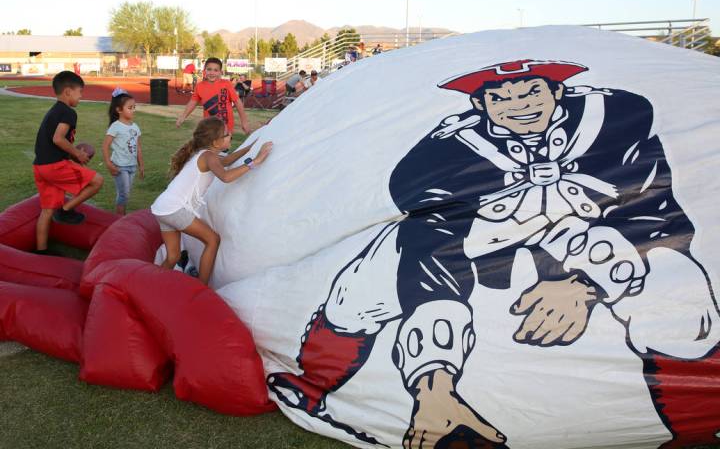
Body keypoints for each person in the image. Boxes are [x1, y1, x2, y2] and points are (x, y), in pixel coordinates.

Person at [267, 60, 720, 446]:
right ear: (479, 106)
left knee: (677, 288)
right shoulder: (448, 153)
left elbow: (654, 217)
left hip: (590, 233)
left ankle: (697, 420)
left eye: (531, 91)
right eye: (501, 98)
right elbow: (432, 246)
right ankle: (318, 385)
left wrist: (582, 286)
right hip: (489, 235)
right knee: (361, 286)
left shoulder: (614, 124)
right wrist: (434, 384)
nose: (519, 104)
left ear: (558, 92)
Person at [151, 116, 273, 286]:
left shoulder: (207, 155)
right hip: (175, 210)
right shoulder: (209, 157)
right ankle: (201, 288)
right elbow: (226, 176)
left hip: (162, 208)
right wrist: (256, 161)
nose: (230, 135)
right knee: (212, 240)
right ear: (216, 142)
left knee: (173, 256)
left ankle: (152, 285)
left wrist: (254, 142)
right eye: (226, 134)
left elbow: (227, 160)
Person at [32, 71, 104, 253]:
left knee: (47, 210)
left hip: (40, 166)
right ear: (68, 92)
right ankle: (65, 210)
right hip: (54, 166)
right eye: (80, 92)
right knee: (97, 181)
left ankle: (41, 250)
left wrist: (71, 154)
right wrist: (77, 155)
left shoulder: (54, 111)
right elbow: (58, 138)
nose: (81, 96)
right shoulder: (68, 112)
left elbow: (50, 140)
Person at [176, 58, 250, 135]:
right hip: (208, 128)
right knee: (207, 146)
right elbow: (192, 102)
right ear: (204, 71)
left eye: (215, 70)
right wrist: (183, 116)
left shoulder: (227, 84)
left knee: (222, 147)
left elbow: (237, 102)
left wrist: (244, 122)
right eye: (209, 69)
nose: (212, 73)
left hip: (225, 128)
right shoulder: (199, 86)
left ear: (220, 72)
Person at [102, 88, 144, 215]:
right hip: (120, 166)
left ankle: (120, 218)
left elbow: (138, 147)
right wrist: (109, 164)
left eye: (134, 107)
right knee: (124, 194)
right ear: (119, 110)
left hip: (132, 166)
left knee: (124, 194)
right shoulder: (115, 126)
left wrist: (141, 165)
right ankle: (119, 220)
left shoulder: (135, 127)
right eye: (130, 107)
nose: (133, 110)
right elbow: (105, 146)